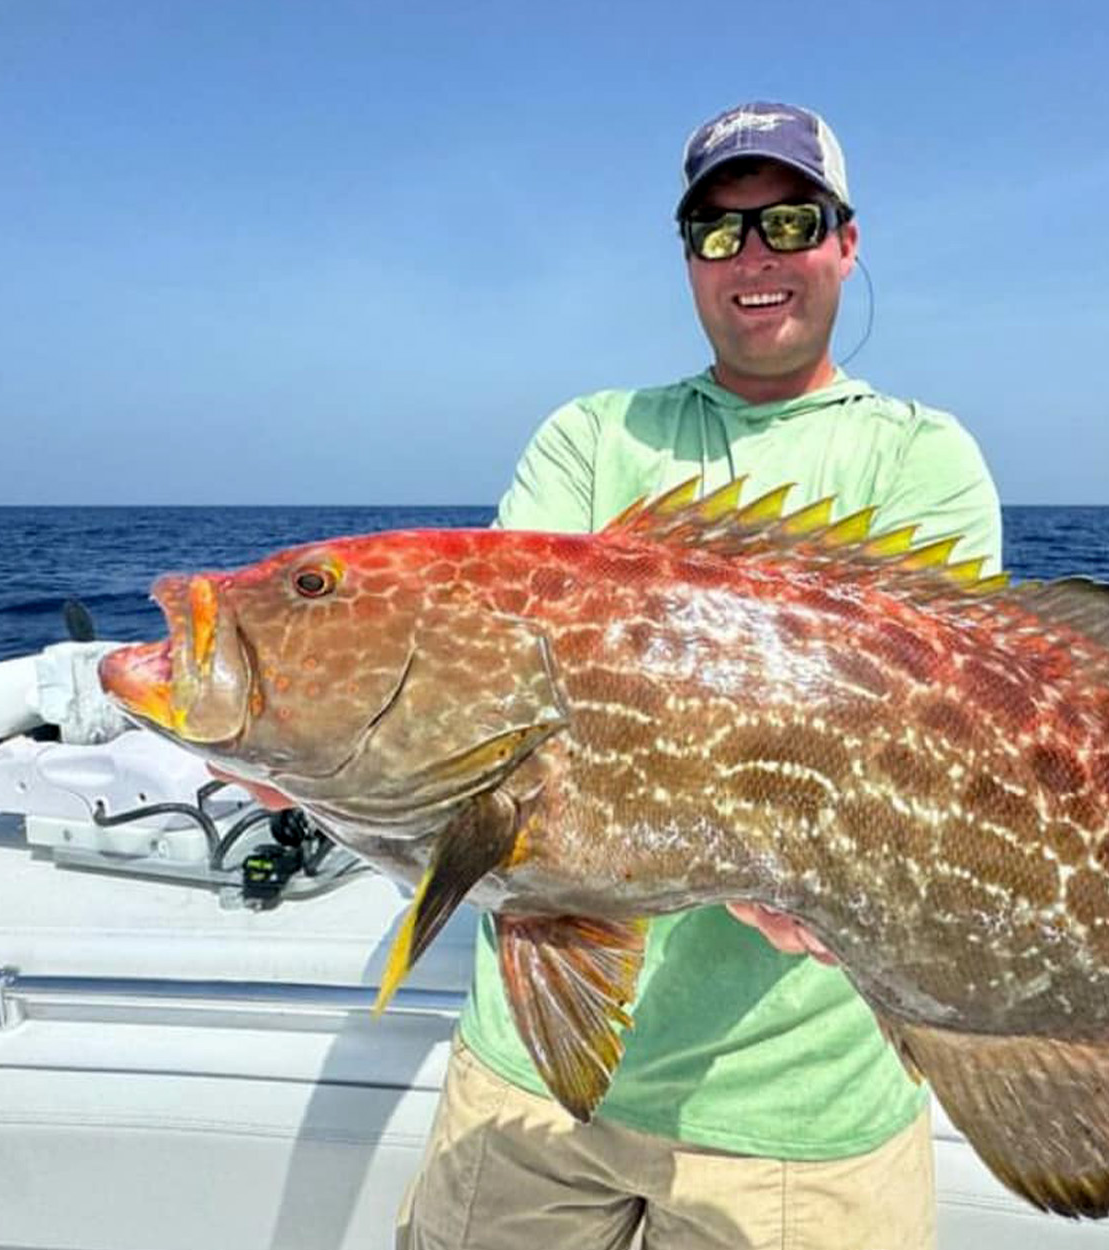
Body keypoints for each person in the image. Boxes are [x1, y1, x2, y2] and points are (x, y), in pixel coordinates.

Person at [395, 102, 1003, 1250]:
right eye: (717, 232)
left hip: (798, 1113)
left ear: (846, 241)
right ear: (687, 259)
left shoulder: (921, 459)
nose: (755, 257)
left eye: (788, 220)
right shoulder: (590, 435)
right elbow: (511, 681)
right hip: (529, 1076)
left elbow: (929, 721)